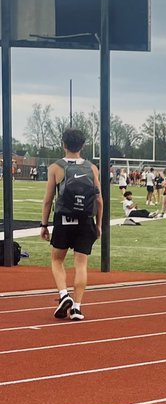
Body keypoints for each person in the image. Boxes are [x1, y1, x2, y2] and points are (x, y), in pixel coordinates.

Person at [39, 128, 103, 321]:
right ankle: (77, 307)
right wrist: (98, 224)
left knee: (57, 260)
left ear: (63, 144)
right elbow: (99, 200)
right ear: (83, 145)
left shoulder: (55, 168)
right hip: (86, 220)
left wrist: (44, 225)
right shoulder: (92, 168)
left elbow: (48, 200)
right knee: (81, 264)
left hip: (64, 218)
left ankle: (64, 295)